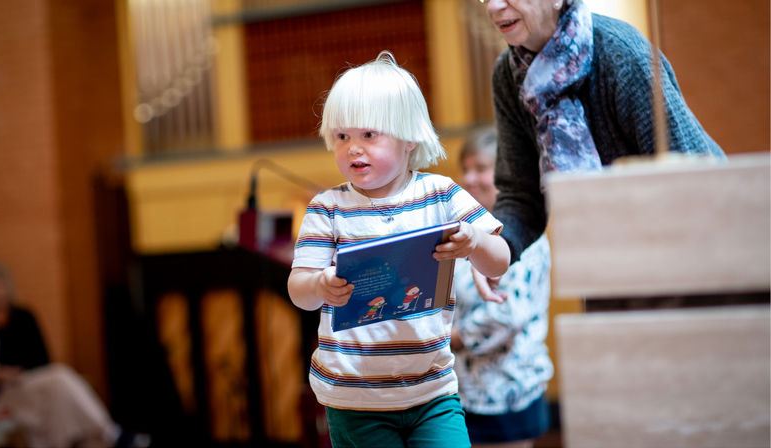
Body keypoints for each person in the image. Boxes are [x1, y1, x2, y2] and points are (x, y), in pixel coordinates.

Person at [287, 51, 511, 448]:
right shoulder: (328, 208)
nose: (353, 148)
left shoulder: (441, 194)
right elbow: (299, 291)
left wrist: (475, 241)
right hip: (355, 397)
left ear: (410, 137)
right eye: (342, 136)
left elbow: (500, 260)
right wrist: (320, 285)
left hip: (433, 391)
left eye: (369, 135)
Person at [483, 0, 726, 263]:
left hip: (695, 238)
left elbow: (691, 177)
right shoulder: (506, 76)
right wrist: (489, 247)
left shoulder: (621, 53)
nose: (494, 7)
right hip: (601, 251)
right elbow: (521, 197)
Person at [0, 261, 149, 448]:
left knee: (59, 393)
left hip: (29, 382)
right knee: (60, 380)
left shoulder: (24, 317)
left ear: (7, 288)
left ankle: (103, 435)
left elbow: (42, 359)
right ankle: (110, 433)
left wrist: (12, 372)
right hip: (2, 394)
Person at [451, 127, 553, 448]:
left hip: (508, 390)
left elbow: (507, 314)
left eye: (480, 168)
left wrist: (448, 339)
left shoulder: (522, 235)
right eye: (465, 168)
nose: (469, 178)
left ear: (507, 175)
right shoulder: (469, 230)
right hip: (467, 388)